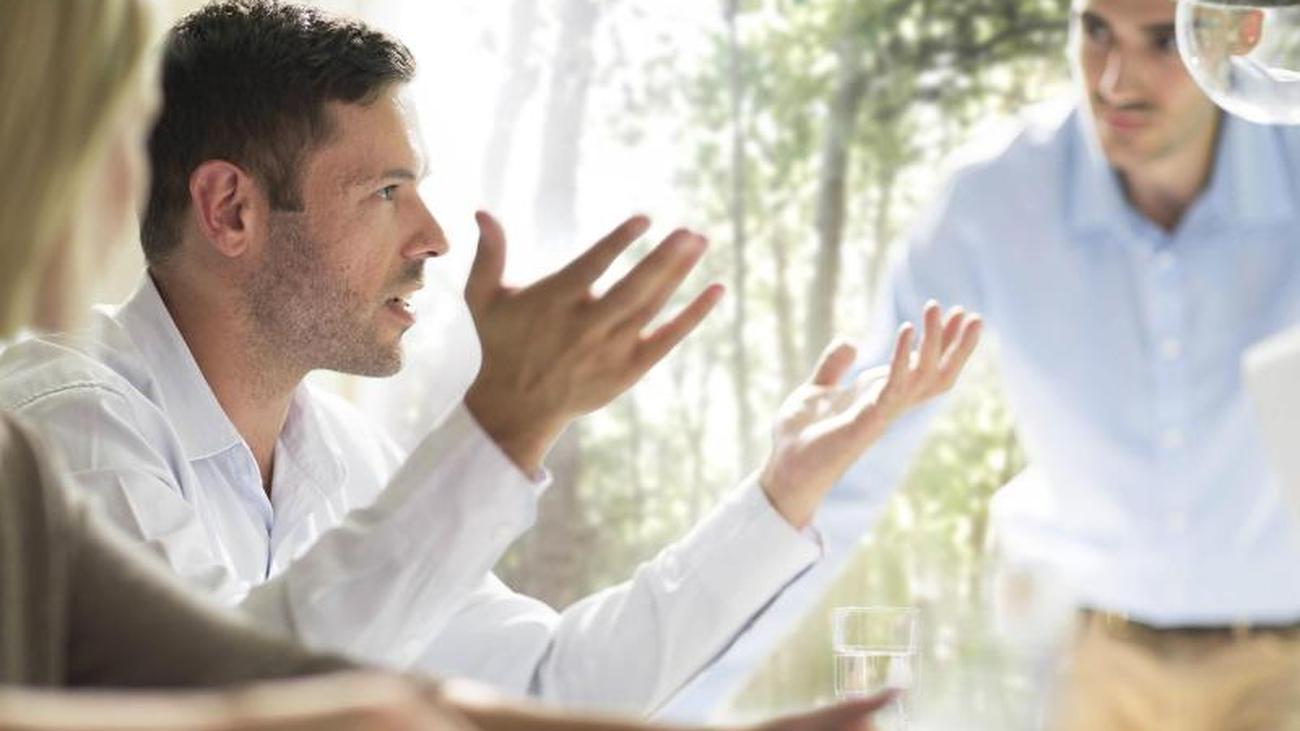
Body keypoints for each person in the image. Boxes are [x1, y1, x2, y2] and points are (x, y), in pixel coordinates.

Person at [0, 0, 982, 715]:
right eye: (385, 191)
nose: (431, 235)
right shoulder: (64, 426)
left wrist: (781, 492)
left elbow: (546, 680)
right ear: (231, 210)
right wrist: (504, 425)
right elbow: (242, 703)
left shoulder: (339, 455)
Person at [817, 0, 1300, 727]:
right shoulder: (994, 199)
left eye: (1164, 43)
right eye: (1095, 30)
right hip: (1094, 666)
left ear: (1246, 33)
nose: (1114, 82)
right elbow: (850, 460)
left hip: (1285, 671)